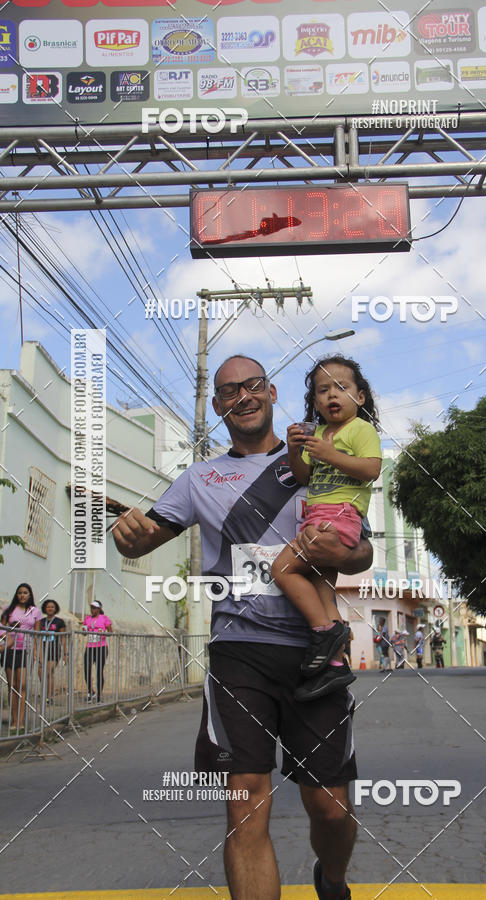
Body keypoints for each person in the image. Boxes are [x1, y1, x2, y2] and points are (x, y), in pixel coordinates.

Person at [111, 354, 373, 900]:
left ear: (272, 393)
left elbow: (362, 549)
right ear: (217, 407)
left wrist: (344, 555)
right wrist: (129, 535)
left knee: (330, 806)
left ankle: (333, 877)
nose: (243, 397)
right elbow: (145, 535)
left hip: (314, 650)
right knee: (247, 797)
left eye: (252, 386)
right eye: (229, 391)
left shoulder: (320, 457)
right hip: (239, 651)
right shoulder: (198, 478)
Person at [271, 356, 381, 699]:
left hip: (341, 516)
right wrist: (294, 451)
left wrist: (329, 454)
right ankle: (335, 666)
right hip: (316, 515)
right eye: (323, 389)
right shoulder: (316, 433)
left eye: (342, 387)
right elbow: (304, 477)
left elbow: (371, 470)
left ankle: (324, 630)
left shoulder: (361, 429)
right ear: (315, 401)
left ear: (359, 397)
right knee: (320, 585)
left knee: (283, 569)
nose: (333, 395)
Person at [0, 583, 42, 732]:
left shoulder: (35, 611)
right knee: (13, 686)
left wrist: (38, 652)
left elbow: (37, 633)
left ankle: (21, 719)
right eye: (19, 593)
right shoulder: (9, 610)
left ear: (30, 594)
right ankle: (14, 719)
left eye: (25, 593)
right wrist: (7, 636)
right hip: (10, 650)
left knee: (23, 685)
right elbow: (1, 627)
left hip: (25, 650)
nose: (22, 595)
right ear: (16, 595)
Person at [82, 600, 112, 702]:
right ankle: (90, 692)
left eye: (94, 608)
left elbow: (110, 631)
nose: (92, 610)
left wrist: (102, 633)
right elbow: (84, 633)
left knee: (99, 670)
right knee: (87, 670)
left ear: (99, 609)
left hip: (101, 647)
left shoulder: (104, 618)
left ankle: (99, 694)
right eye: (91, 608)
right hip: (90, 647)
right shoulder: (87, 619)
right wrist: (84, 631)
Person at [38, 599, 66, 704]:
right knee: (41, 674)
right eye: (48, 607)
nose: (50, 609)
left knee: (49, 673)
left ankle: (49, 697)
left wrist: (65, 654)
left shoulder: (59, 622)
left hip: (54, 651)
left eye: (52, 607)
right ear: (45, 608)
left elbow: (63, 638)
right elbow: (37, 637)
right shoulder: (40, 621)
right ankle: (45, 694)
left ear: (55, 609)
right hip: (42, 650)